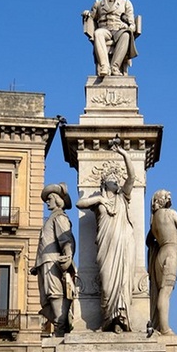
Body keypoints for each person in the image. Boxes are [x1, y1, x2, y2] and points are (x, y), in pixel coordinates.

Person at [76, 140, 136, 332]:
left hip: (124, 243)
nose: (116, 182)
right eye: (112, 180)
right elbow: (80, 204)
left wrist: (125, 155)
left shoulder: (123, 197)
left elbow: (132, 177)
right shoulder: (99, 202)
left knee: (122, 283)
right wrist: (99, 198)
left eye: (117, 180)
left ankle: (120, 320)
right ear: (104, 183)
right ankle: (107, 319)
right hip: (106, 246)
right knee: (108, 284)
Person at [30, 183, 76, 337]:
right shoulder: (52, 218)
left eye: (49, 198)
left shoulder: (60, 217)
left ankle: (60, 327)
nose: (47, 201)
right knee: (47, 299)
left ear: (57, 199)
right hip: (44, 263)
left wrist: (68, 256)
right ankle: (60, 325)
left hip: (53, 261)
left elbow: (66, 238)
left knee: (54, 293)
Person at [146, 190, 177, 335]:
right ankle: (164, 329)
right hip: (171, 251)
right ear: (161, 200)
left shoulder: (153, 222)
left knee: (161, 291)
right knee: (166, 292)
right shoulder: (171, 213)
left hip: (160, 254)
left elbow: (149, 241)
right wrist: (176, 235)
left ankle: (160, 325)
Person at [82, 0, 141, 77]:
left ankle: (115, 66)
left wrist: (127, 27)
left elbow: (132, 25)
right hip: (105, 31)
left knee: (126, 35)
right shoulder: (99, 3)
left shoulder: (126, 3)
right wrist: (87, 14)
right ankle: (104, 66)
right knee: (98, 33)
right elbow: (92, 17)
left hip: (119, 31)